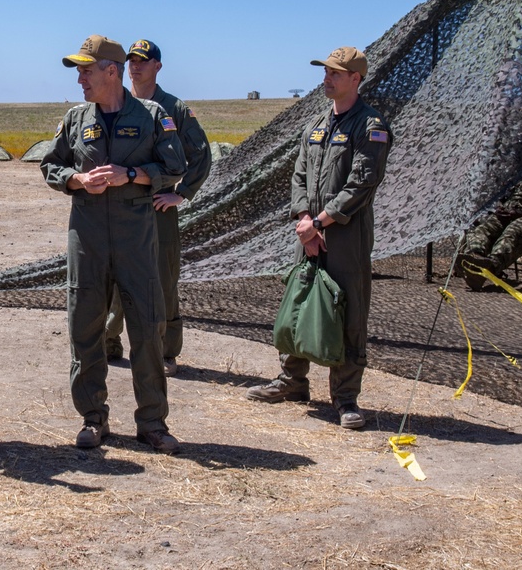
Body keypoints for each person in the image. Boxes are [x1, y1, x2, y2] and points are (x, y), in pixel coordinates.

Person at [40, 34, 187, 454]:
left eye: (87, 70)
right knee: (84, 328)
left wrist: (134, 174)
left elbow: (174, 165)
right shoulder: (75, 118)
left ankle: (153, 424)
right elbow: (51, 164)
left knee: (147, 328)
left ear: (111, 71)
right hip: (86, 239)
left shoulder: (152, 115)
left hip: (136, 239)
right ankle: (93, 419)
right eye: (79, 71)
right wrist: (76, 179)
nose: (80, 79)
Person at [246, 46, 392, 430]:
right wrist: (304, 221)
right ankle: (292, 381)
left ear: (355, 79)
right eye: (325, 72)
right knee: (298, 303)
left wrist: (321, 224)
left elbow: (362, 184)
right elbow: (298, 177)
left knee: (347, 311)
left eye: (335, 74)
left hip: (344, 236)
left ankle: (345, 399)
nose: (326, 79)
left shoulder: (371, 125)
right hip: (308, 232)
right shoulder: (316, 123)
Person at [104, 40, 211, 376]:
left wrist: (182, 193)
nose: (136, 67)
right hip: (121, 207)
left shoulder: (174, 108)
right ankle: (109, 341)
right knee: (115, 276)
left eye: (143, 61)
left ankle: (166, 352)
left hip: (158, 207)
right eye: (132, 61)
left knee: (163, 279)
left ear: (157, 66)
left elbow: (201, 155)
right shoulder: (116, 103)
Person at [456, 169, 522, 290]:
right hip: (508, 213)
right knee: (483, 227)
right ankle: (475, 258)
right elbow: (502, 193)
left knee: (515, 229)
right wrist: (498, 208)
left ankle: (490, 268)